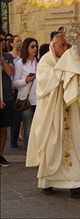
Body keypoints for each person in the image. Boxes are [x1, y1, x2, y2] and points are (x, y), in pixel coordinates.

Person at [26, 33, 80, 198]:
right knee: (52, 145)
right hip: (52, 111)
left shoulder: (71, 57)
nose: (65, 49)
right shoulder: (46, 60)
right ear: (53, 44)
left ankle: (76, 185)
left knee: (75, 143)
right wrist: (66, 69)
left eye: (67, 46)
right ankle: (47, 182)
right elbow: (44, 82)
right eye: (62, 45)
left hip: (70, 110)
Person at [13, 38, 38, 151]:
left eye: (36, 46)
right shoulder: (20, 63)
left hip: (38, 99)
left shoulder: (40, 63)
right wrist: (26, 80)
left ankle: (36, 151)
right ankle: (29, 152)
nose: (35, 48)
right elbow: (15, 83)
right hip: (25, 99)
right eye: (32, 46)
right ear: (26, 48)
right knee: (28, 126)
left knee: (37, 126)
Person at [0, 29, 14, 167]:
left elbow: (10, 73)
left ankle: (0, 155)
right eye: (0, 40)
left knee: (4, 129)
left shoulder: (8, 57)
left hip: (7, 96)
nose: (3, 42)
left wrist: (2, 59)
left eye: (4, 40)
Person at [8, 35, 23, 148]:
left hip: (24, 90)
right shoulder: (12, 59)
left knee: (20, 117)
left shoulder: (22, 59)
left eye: (20, 40)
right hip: (15, 90)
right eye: (17, 41)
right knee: (15, 117)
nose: (19, 42)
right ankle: (13, 138)